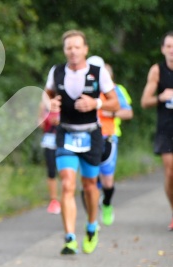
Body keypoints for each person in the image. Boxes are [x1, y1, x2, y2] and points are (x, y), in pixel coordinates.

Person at [44, 30, 119, 255]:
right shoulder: (57, 72)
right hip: (66, 133)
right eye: (69, 47)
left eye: (77, 47)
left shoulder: (98, 73)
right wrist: (50, 104)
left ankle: (92, 225)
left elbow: (115, 104)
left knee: (89, 185)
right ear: (64, 50)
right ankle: (69, 238)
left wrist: (96, 104)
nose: (73, 51)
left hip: (91, 134)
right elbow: (46, 95)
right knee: (67, 184)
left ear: (85, 49)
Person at [140, 31, 173, 231]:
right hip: (166, 129)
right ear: (163, 49)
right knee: (171, 173)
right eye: (168, 46)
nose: (172, 51)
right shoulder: (157, 71)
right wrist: (161, 97)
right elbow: (144, 102)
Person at [95, 61, 134, 225]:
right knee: (90, 179)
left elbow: (128, 113)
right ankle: (92, 220)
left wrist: (110, 112)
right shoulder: (89, 90)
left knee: (107, 181)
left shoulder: (117, 90)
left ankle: (107, 203)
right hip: (89, 137)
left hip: (109, 137)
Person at [38, 102, 61, 214]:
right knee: (51, 170)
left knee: (64, 170)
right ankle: (54, 200)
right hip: (49, 140)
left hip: (64, 139)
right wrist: (47, 119)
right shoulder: (44, 105)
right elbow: (40, 124)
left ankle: (65, 197)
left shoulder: (67, 100)